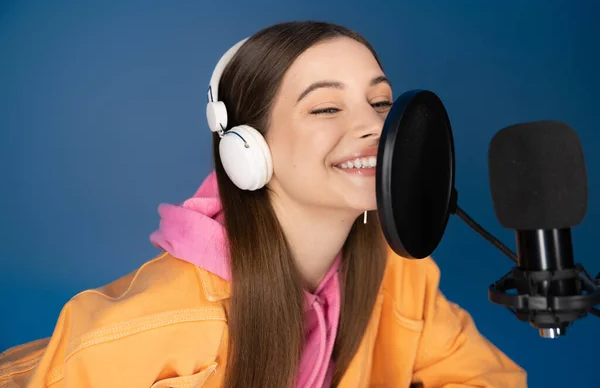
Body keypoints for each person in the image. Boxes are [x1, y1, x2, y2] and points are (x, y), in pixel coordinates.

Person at [0, 20, 527, 388]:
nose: (373, 125)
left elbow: (485, 376)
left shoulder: (403, 277)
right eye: (325, 107)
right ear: (246, 150)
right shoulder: (150, 326)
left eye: (381, 102)